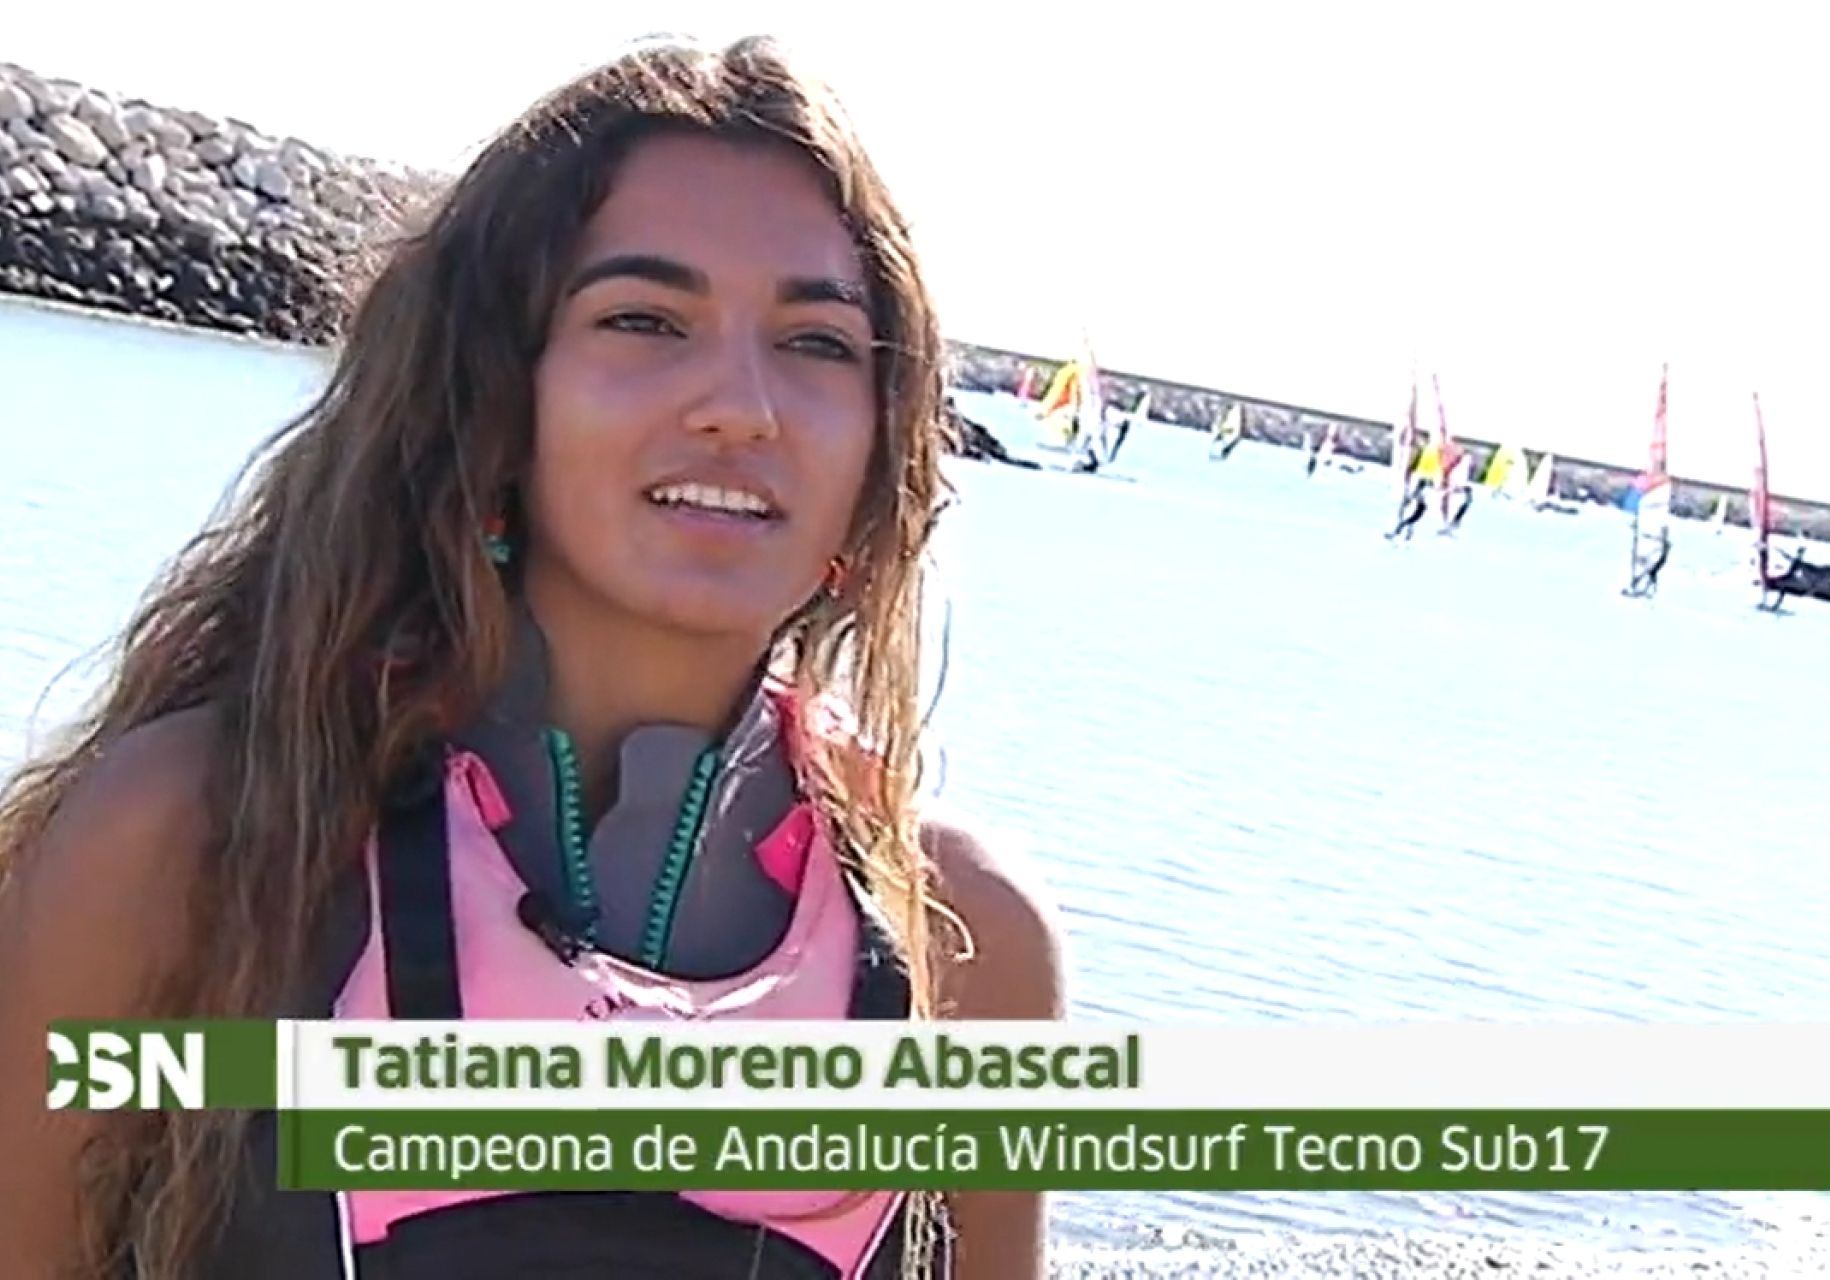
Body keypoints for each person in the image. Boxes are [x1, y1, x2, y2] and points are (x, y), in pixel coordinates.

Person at [0, 36, 1063, 1280]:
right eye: (644, 319)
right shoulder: (196, 832)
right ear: (496, 396)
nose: (742, 405)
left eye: (817, 341)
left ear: (884, 442)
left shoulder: (966, 939)